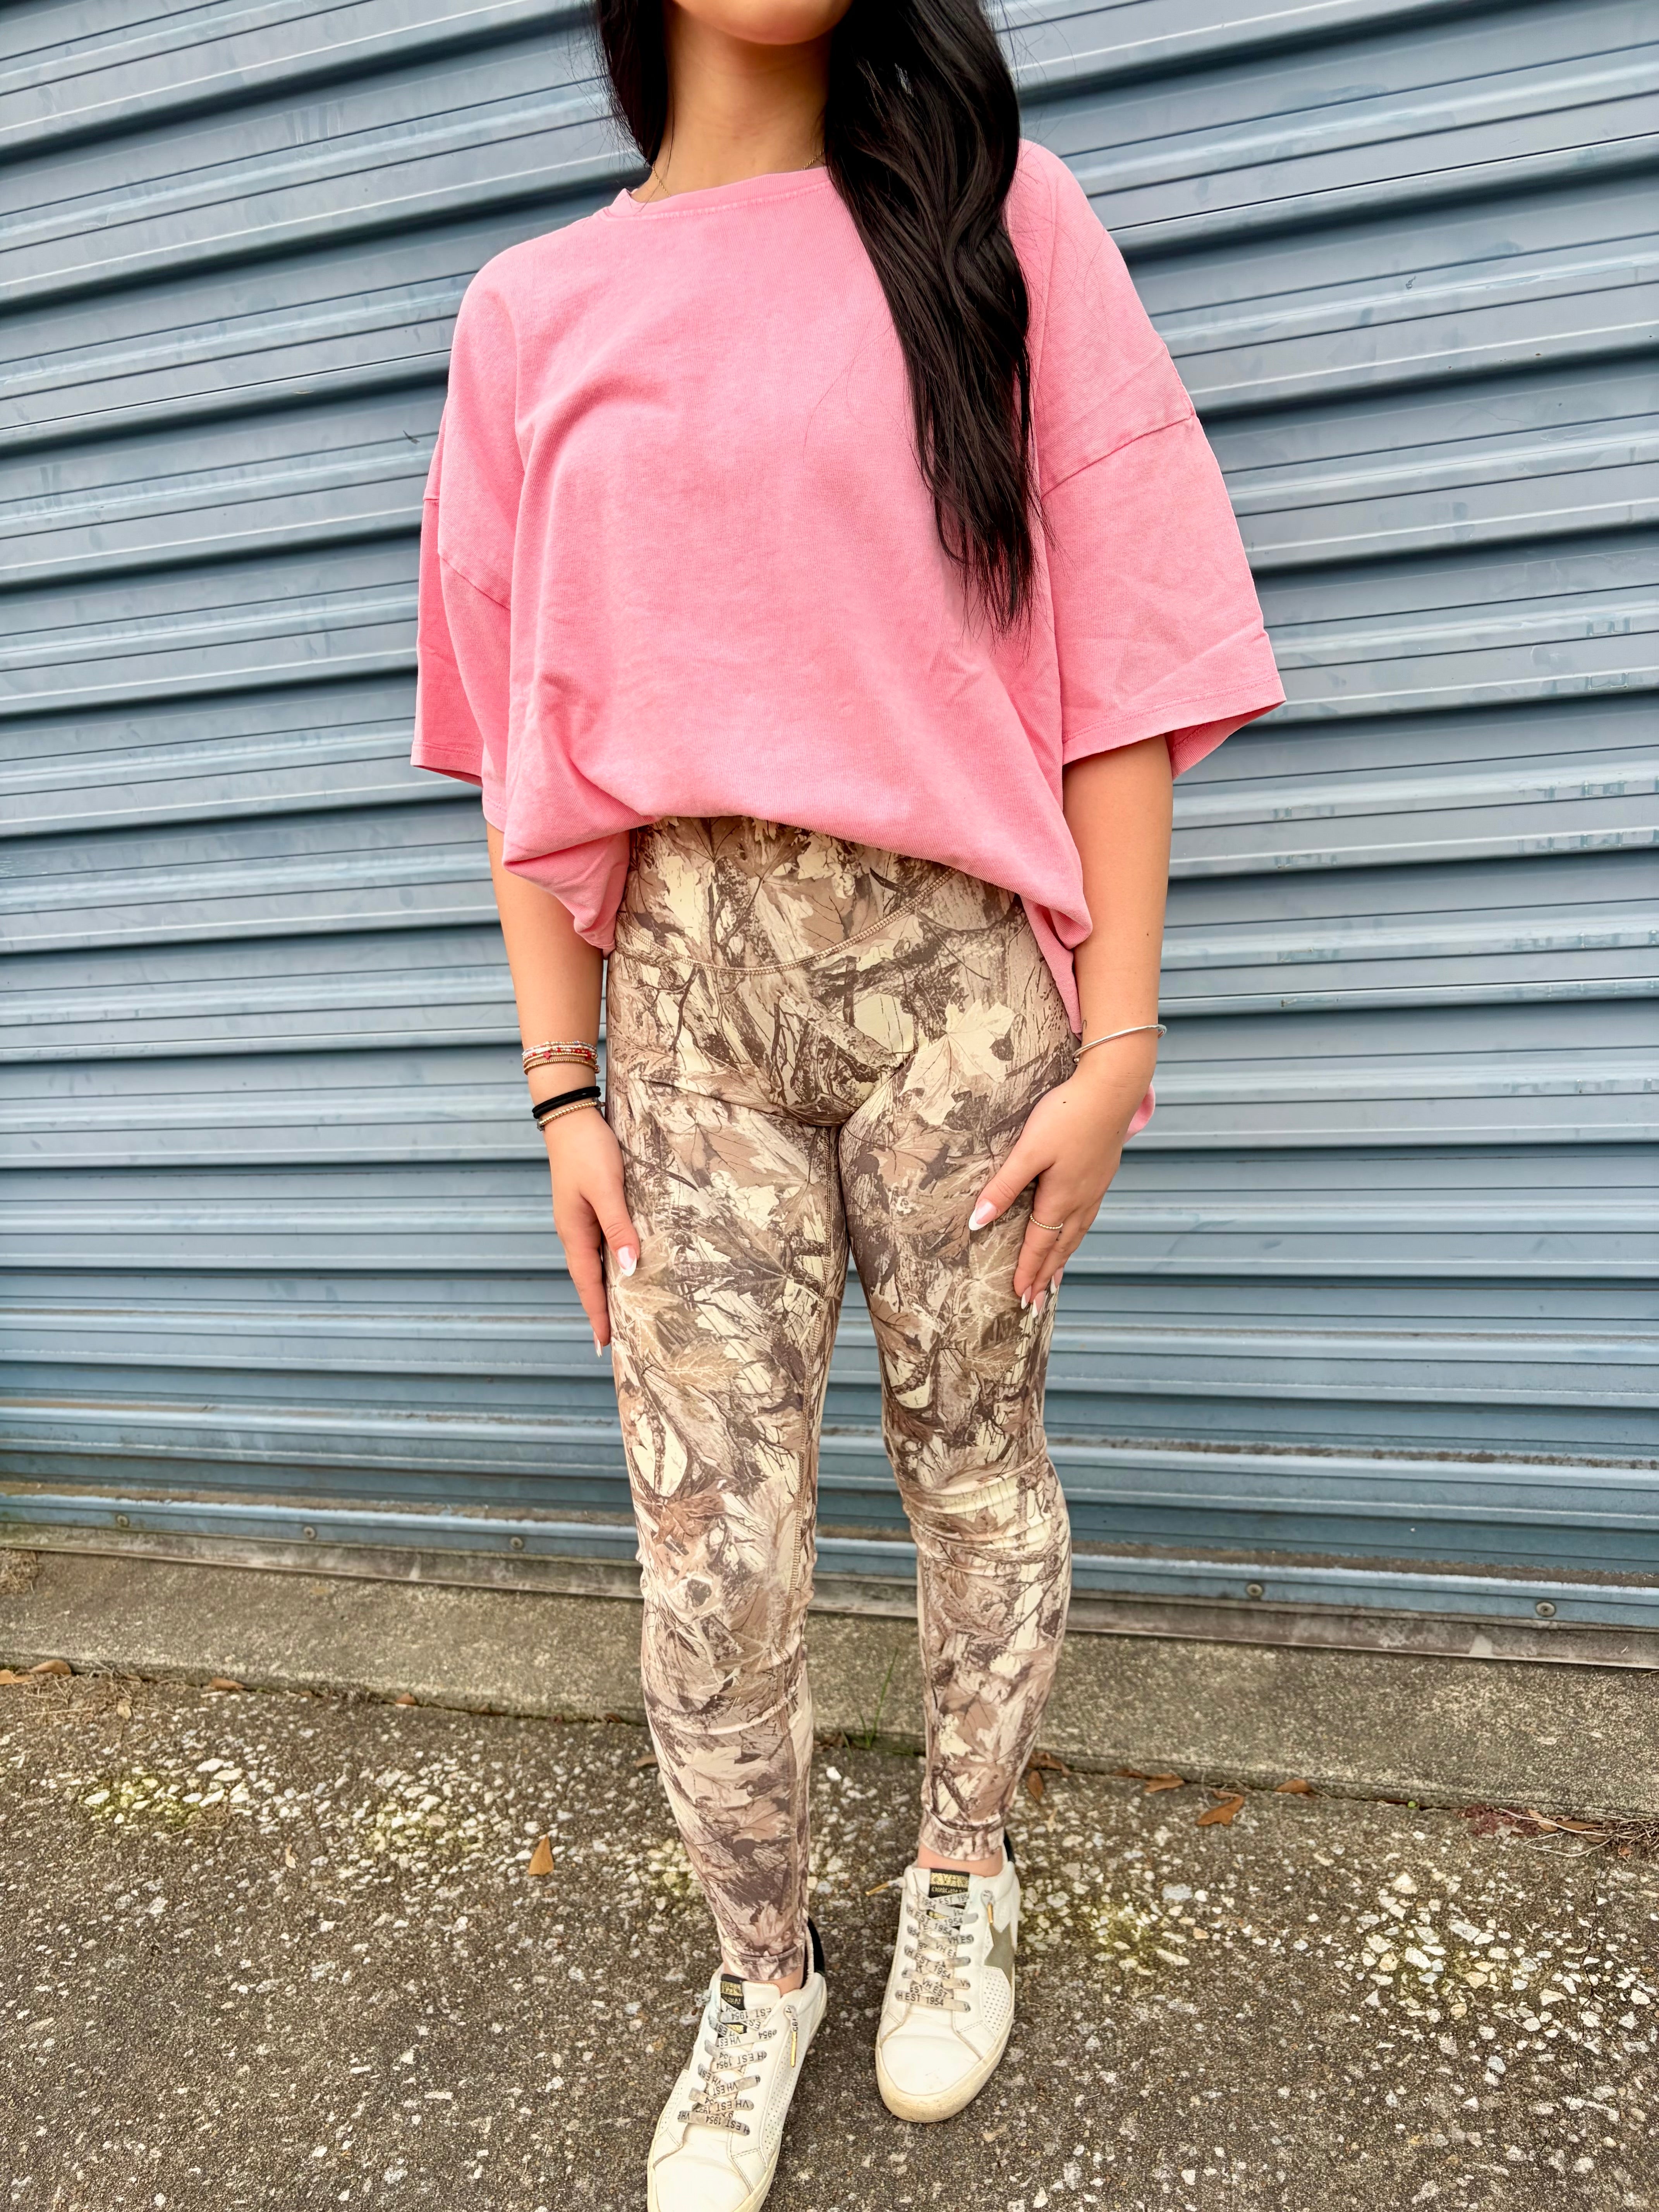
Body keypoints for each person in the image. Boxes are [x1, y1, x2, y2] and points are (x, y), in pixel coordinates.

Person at [412, 1, 1283, 2202]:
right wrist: (559, 1090)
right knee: (708, 1543)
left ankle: (965, 1867)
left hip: (958, 992)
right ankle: (762, 1967)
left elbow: (1125, 642)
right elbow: (516, 745)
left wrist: (1120, 1037)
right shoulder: (531, 313)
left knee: (972, 1457)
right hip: (681, 1002)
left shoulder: (999, 220)